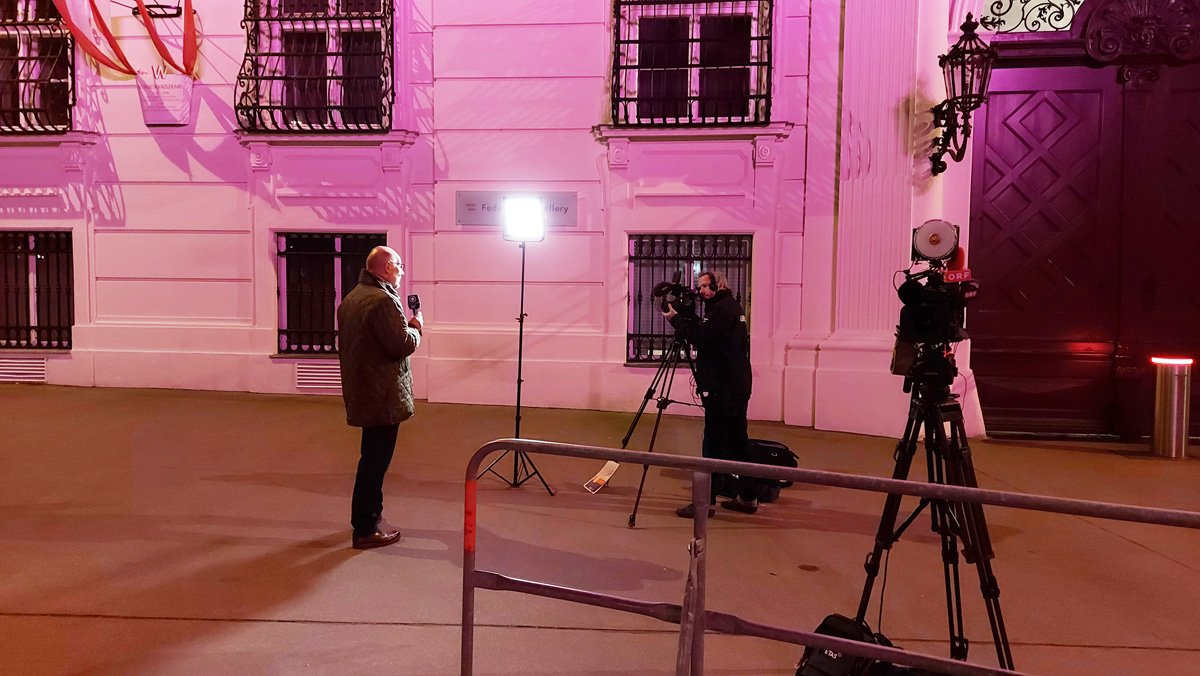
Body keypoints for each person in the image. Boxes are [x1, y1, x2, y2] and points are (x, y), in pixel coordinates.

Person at [337, 245, 423, 549]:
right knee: (375, 463)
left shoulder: (353, 297)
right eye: (399, 265)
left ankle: (369, 517)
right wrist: (416, 328)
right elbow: (400, 345)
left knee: (370, 458)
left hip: (364, 389)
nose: (401, 271)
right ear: (386, 267)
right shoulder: (383, 300)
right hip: (382, 394)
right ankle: (365, 527)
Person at [662, 270, 757, 517]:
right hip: (734, 387)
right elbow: (708, 332)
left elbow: (700, 337)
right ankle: (748, 498)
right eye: (700, 286)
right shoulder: (727, 307)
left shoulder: (721, 310)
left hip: (723, 389)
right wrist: (689, 317)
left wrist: (675, 319)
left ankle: (705, 504)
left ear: (720, 285)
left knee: (713, 445)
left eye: (705, 286)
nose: (701, 291)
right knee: (738, 443)